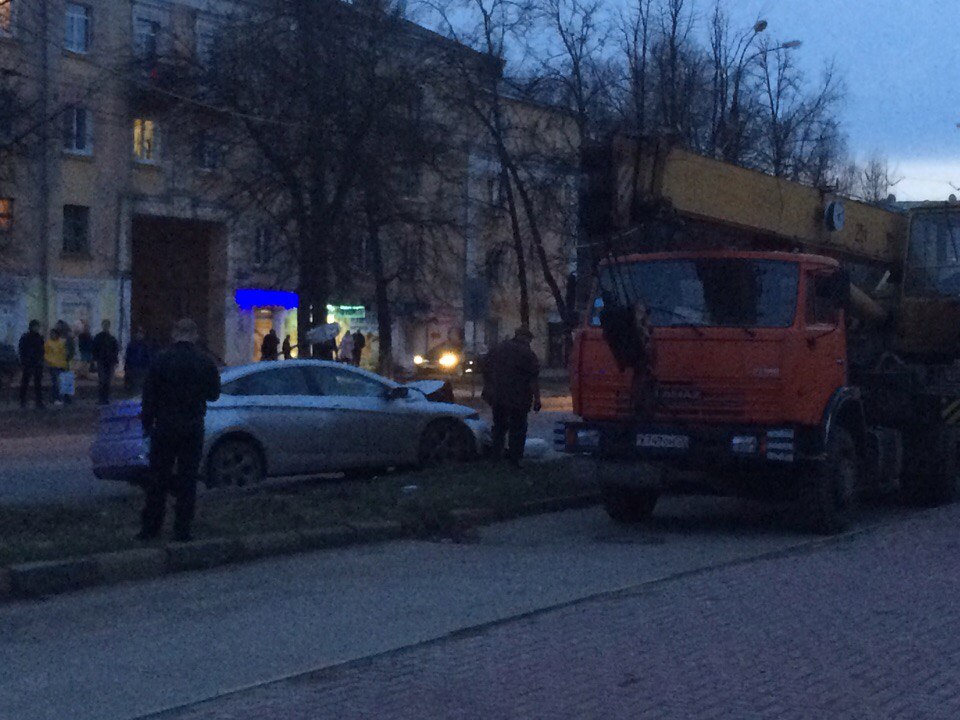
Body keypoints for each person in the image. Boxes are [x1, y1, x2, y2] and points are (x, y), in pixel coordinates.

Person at [139, 318, 221, 543]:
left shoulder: (161, 359)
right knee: (187, 479)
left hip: (164, 426)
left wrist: (147, 424)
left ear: (174, 334)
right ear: (194, 335)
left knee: (158, 478)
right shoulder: (205, 361)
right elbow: (214, 394)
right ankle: (182, 529)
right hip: (192, 426)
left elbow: (149, 396)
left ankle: (151, 528)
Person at [482, 325, 542, 467]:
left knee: (499, 427)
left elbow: (484, 368)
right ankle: (514, 460)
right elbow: (533, 379)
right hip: (518, 398)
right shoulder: (528, 354)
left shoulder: (497, 349)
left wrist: (489, 387)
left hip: (497, 396)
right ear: (526, 338)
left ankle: (496, 458)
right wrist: (537, 399)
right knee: (518, 428)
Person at [18, 320, 45, 409]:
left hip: (37, 363)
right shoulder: (25, 337)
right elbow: (21, 349)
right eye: (35, 326)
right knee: (25, 382)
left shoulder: (40, 338)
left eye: (37, 326)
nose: (37, 328)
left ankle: (39, 402)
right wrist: (24, 361)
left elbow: (42, 350)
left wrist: (41, 360)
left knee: (38, 383)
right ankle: (22, 401)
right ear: (31, 327)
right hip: (28, 363)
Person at [92, 320, 119, 405]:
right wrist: (95, 360)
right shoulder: (98, 337)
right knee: (102, 380)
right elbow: (94, 349)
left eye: (107, 325)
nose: (106, 327)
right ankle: (101, 399)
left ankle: (106, 398)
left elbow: (115, 350)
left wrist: (115, 361)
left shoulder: (112, 338)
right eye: (104, 325)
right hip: (101, 361)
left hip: (109, 362)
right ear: (102, 326)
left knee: (107, 381)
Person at [44, 328, 68, 406]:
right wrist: (49, 361)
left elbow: (65, 352)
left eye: (53, 334)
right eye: (51, 334)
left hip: (62, 364)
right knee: (56, 382)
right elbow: (46, 354)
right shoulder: (48, 343)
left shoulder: (62, 342)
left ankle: (63, 398)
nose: (52, 335)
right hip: (53, 365)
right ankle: (56, 398)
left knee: (63, 382)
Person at [124, 327, 152, 394]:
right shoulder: (132, 344)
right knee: (134, 382)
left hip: (142, 367)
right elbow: (128, 356)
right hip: (133, 367)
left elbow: (148, 356)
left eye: (141, 333)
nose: (139, 335)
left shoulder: (145, 345)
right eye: (138, 333)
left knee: (140, 382)